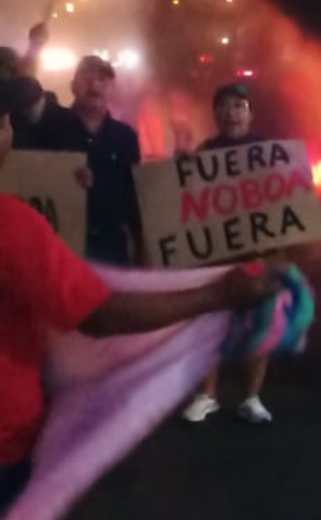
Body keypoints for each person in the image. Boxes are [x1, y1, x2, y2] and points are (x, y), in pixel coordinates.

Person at [0, 76, 280, 511]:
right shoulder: (12, 226)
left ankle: (248, 394)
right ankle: (206, 393)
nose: (10, 132)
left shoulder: (127, 139)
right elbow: (99, 314)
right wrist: (214, 296)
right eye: (2, 122)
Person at [180, 84, 284, 425]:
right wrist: (180, 165)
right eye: (223, 106)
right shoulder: (204, 152)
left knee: (260, 324)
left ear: (251, 114)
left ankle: (251, 397)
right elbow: (187, 199)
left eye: (239, 105)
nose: (231, 112)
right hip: (215, 257)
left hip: (258, 255)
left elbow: (286, 199)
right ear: (216, 115)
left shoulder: (268, 152)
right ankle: (206, 395)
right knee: (209, 325)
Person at [30, 56, 144, 266]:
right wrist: (64, 179)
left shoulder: (125, 137)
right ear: (72, 86)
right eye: (86, 77)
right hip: (59, 248)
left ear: (112, 88)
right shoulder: (49, 127)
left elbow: (134, 197)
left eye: (102, 79)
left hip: (111, 249)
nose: (94, 84)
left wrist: (142, 249)